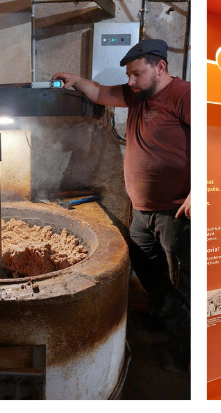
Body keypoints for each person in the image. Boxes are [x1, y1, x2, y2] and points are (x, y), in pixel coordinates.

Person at [53, 39, 191, 372]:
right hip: (142, 211)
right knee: (152, 278)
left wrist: (200, 190)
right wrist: (76, 80)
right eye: (128, 76)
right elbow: (100, 93)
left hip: (174, 213)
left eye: (136, 74)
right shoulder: (137, 95)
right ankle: (173, 330)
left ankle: (188, 356)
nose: (130, 81)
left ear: (160, 67)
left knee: (181, 283)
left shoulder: (185, 95)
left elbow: (214, 140)